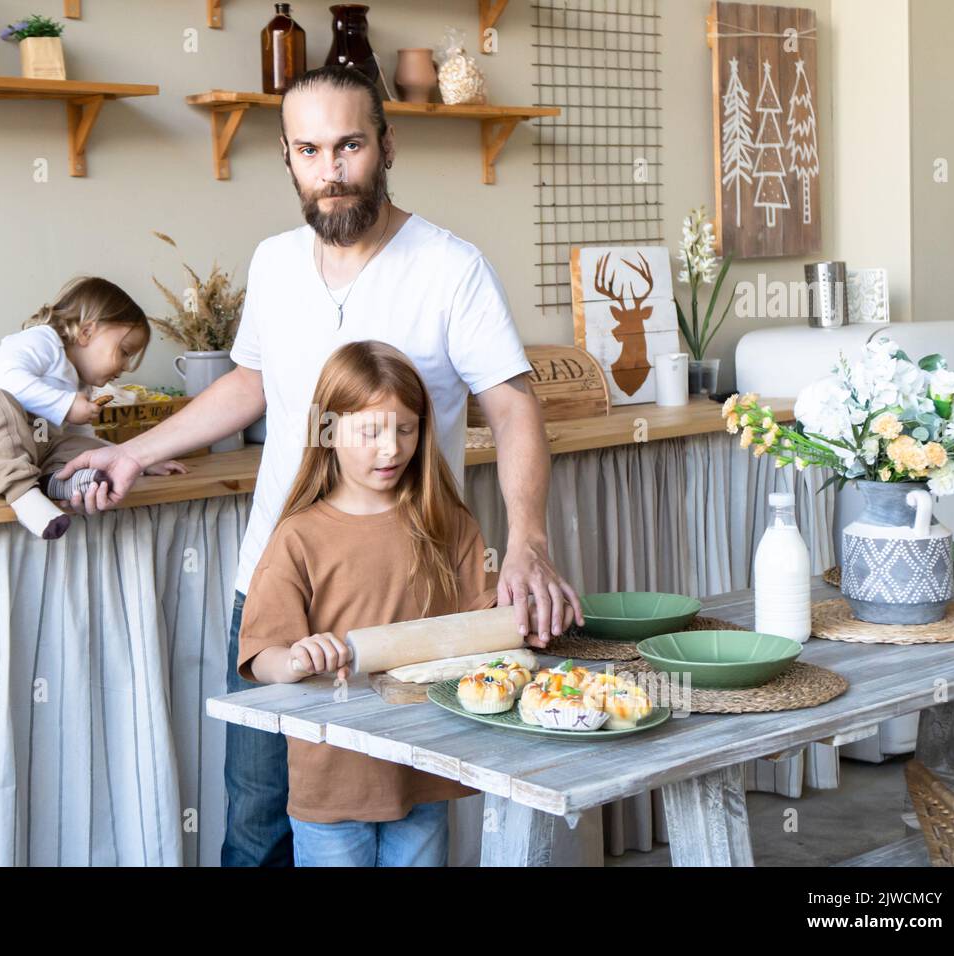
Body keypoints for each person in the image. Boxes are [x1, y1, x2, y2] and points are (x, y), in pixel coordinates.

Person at [54, 66, 583, 866]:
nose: (330, 170)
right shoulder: (272, 262)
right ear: (289, 157)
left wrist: (529, 540)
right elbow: (253, 383)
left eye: (349, 145)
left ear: (386, 145)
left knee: (408, 809)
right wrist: (129, 452)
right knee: (260, 820)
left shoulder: (450, 267)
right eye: (309, 150)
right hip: (279, 584)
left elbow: (513, 406)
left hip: (409, 597)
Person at [238, 341, 497, 866]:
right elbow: (260, 656)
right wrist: (296, 658)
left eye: (405, 429)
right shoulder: (298, 536)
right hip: (333, 778)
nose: (391, 449)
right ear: (329, 432)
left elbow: (487, 627)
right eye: (370, 432)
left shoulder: (450, 524)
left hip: (424, 766)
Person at [0, 276, 186, 539]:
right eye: (125, 351)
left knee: (78, 447)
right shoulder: (41, 342)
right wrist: (66, 404)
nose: (125, 366)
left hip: (27, 461)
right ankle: (23, 497)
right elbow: (4, 377)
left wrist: (135, 459)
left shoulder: (80, 384)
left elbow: (82, 440)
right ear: (87, 332)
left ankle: (57, 482)